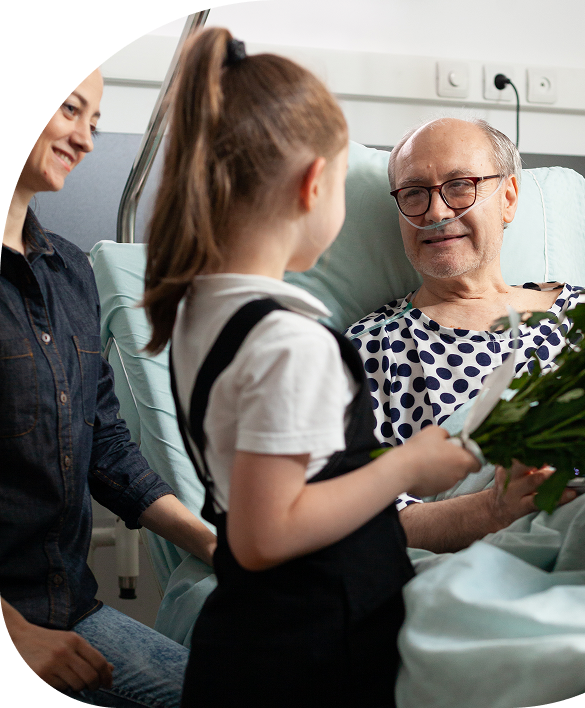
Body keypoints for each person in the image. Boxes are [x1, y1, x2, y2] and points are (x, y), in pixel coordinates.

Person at [141, 28, 476, 708]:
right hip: (314, 658)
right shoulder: (291, 343)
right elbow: (268, 533)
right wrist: (406, 468)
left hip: (256, 642)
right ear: (315, 183)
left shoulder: (201, 311)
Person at [1, 68, 217, 707]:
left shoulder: (69, 272)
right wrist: (16, 634)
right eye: (71, 110)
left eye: (95, 121)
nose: (87, 139)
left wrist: (214, 544)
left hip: (69, 608)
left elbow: (106, 450)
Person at [344, 117, 582, 554]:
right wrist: (494, 509)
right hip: (492, 561)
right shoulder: (372, 348)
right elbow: (365, 522)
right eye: (414, 193)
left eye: (460, 186)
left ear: (508, 198)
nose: (436, 212)